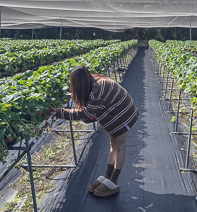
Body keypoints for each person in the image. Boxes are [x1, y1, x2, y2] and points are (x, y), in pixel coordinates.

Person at [52, 65, 138, 197]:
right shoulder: (93, 82)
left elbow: (83, 114)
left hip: (124, 114)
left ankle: (113, 182)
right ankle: (108, 177)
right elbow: (90, 112)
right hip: (115, 113)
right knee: (113, 144)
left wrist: (57, 112)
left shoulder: (98, 90)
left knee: (120, 145)